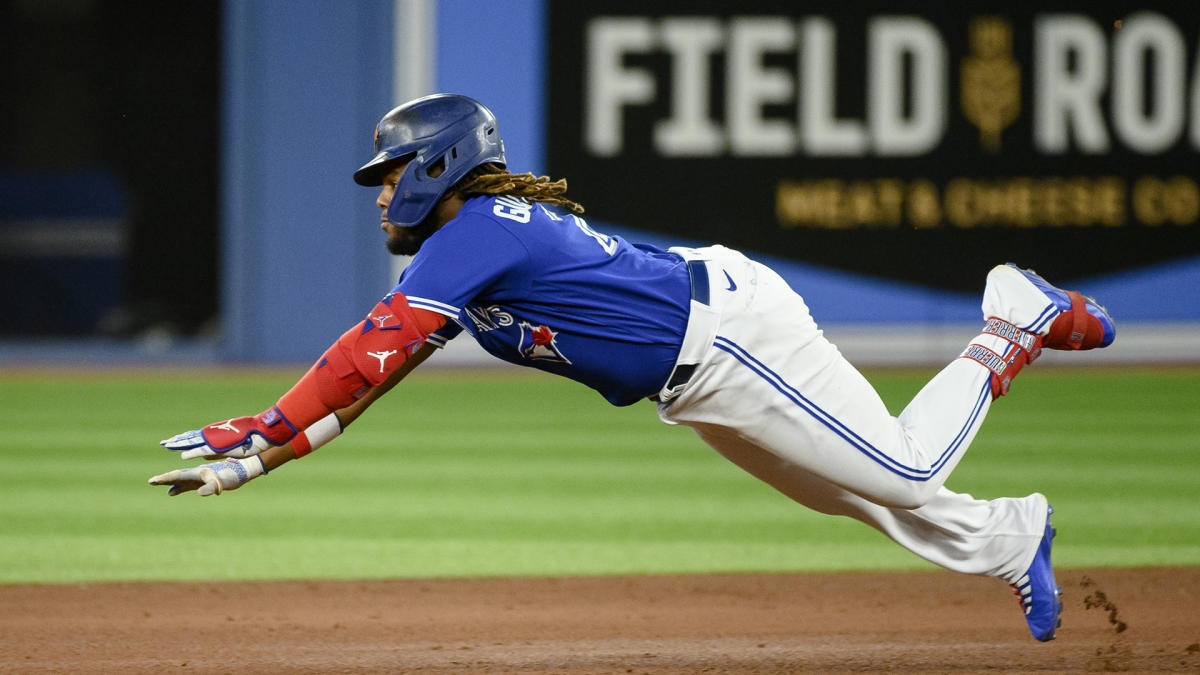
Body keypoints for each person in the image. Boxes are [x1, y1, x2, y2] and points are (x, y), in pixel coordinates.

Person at [149, 93, 1116, 642]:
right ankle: (1007, 536)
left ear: (441, 166)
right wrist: (273, 454)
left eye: (392, 174)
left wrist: (270, 428)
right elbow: (379, 375)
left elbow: (367, 348)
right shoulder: (472, 252)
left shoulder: (477, 229)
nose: (381, 194)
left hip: (730, 336)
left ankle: (1010, 319)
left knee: (900, 469)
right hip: (697, 369)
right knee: (848, 492)